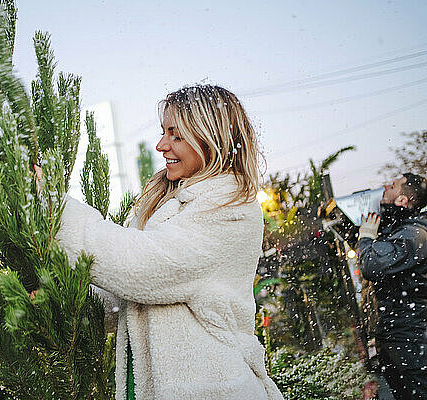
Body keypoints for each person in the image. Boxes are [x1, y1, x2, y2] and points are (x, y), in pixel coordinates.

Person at [54, 85, 283, 399]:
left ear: (211, 138)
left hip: (211, 389)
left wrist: (55, 209)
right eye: (163, 132)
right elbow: (118, 297)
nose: (161, 145)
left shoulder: (230, 208)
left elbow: (142, 268)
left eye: (176, 135)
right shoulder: (165, 205)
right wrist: (51, 294)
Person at [357, 173, 427, 399]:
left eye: (394, 185)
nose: (386, 186)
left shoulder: (412, 235)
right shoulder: (398, 231)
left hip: (410, 341)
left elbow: (371, 264)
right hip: (397, 338)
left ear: (402, 201)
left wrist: (366, 238)